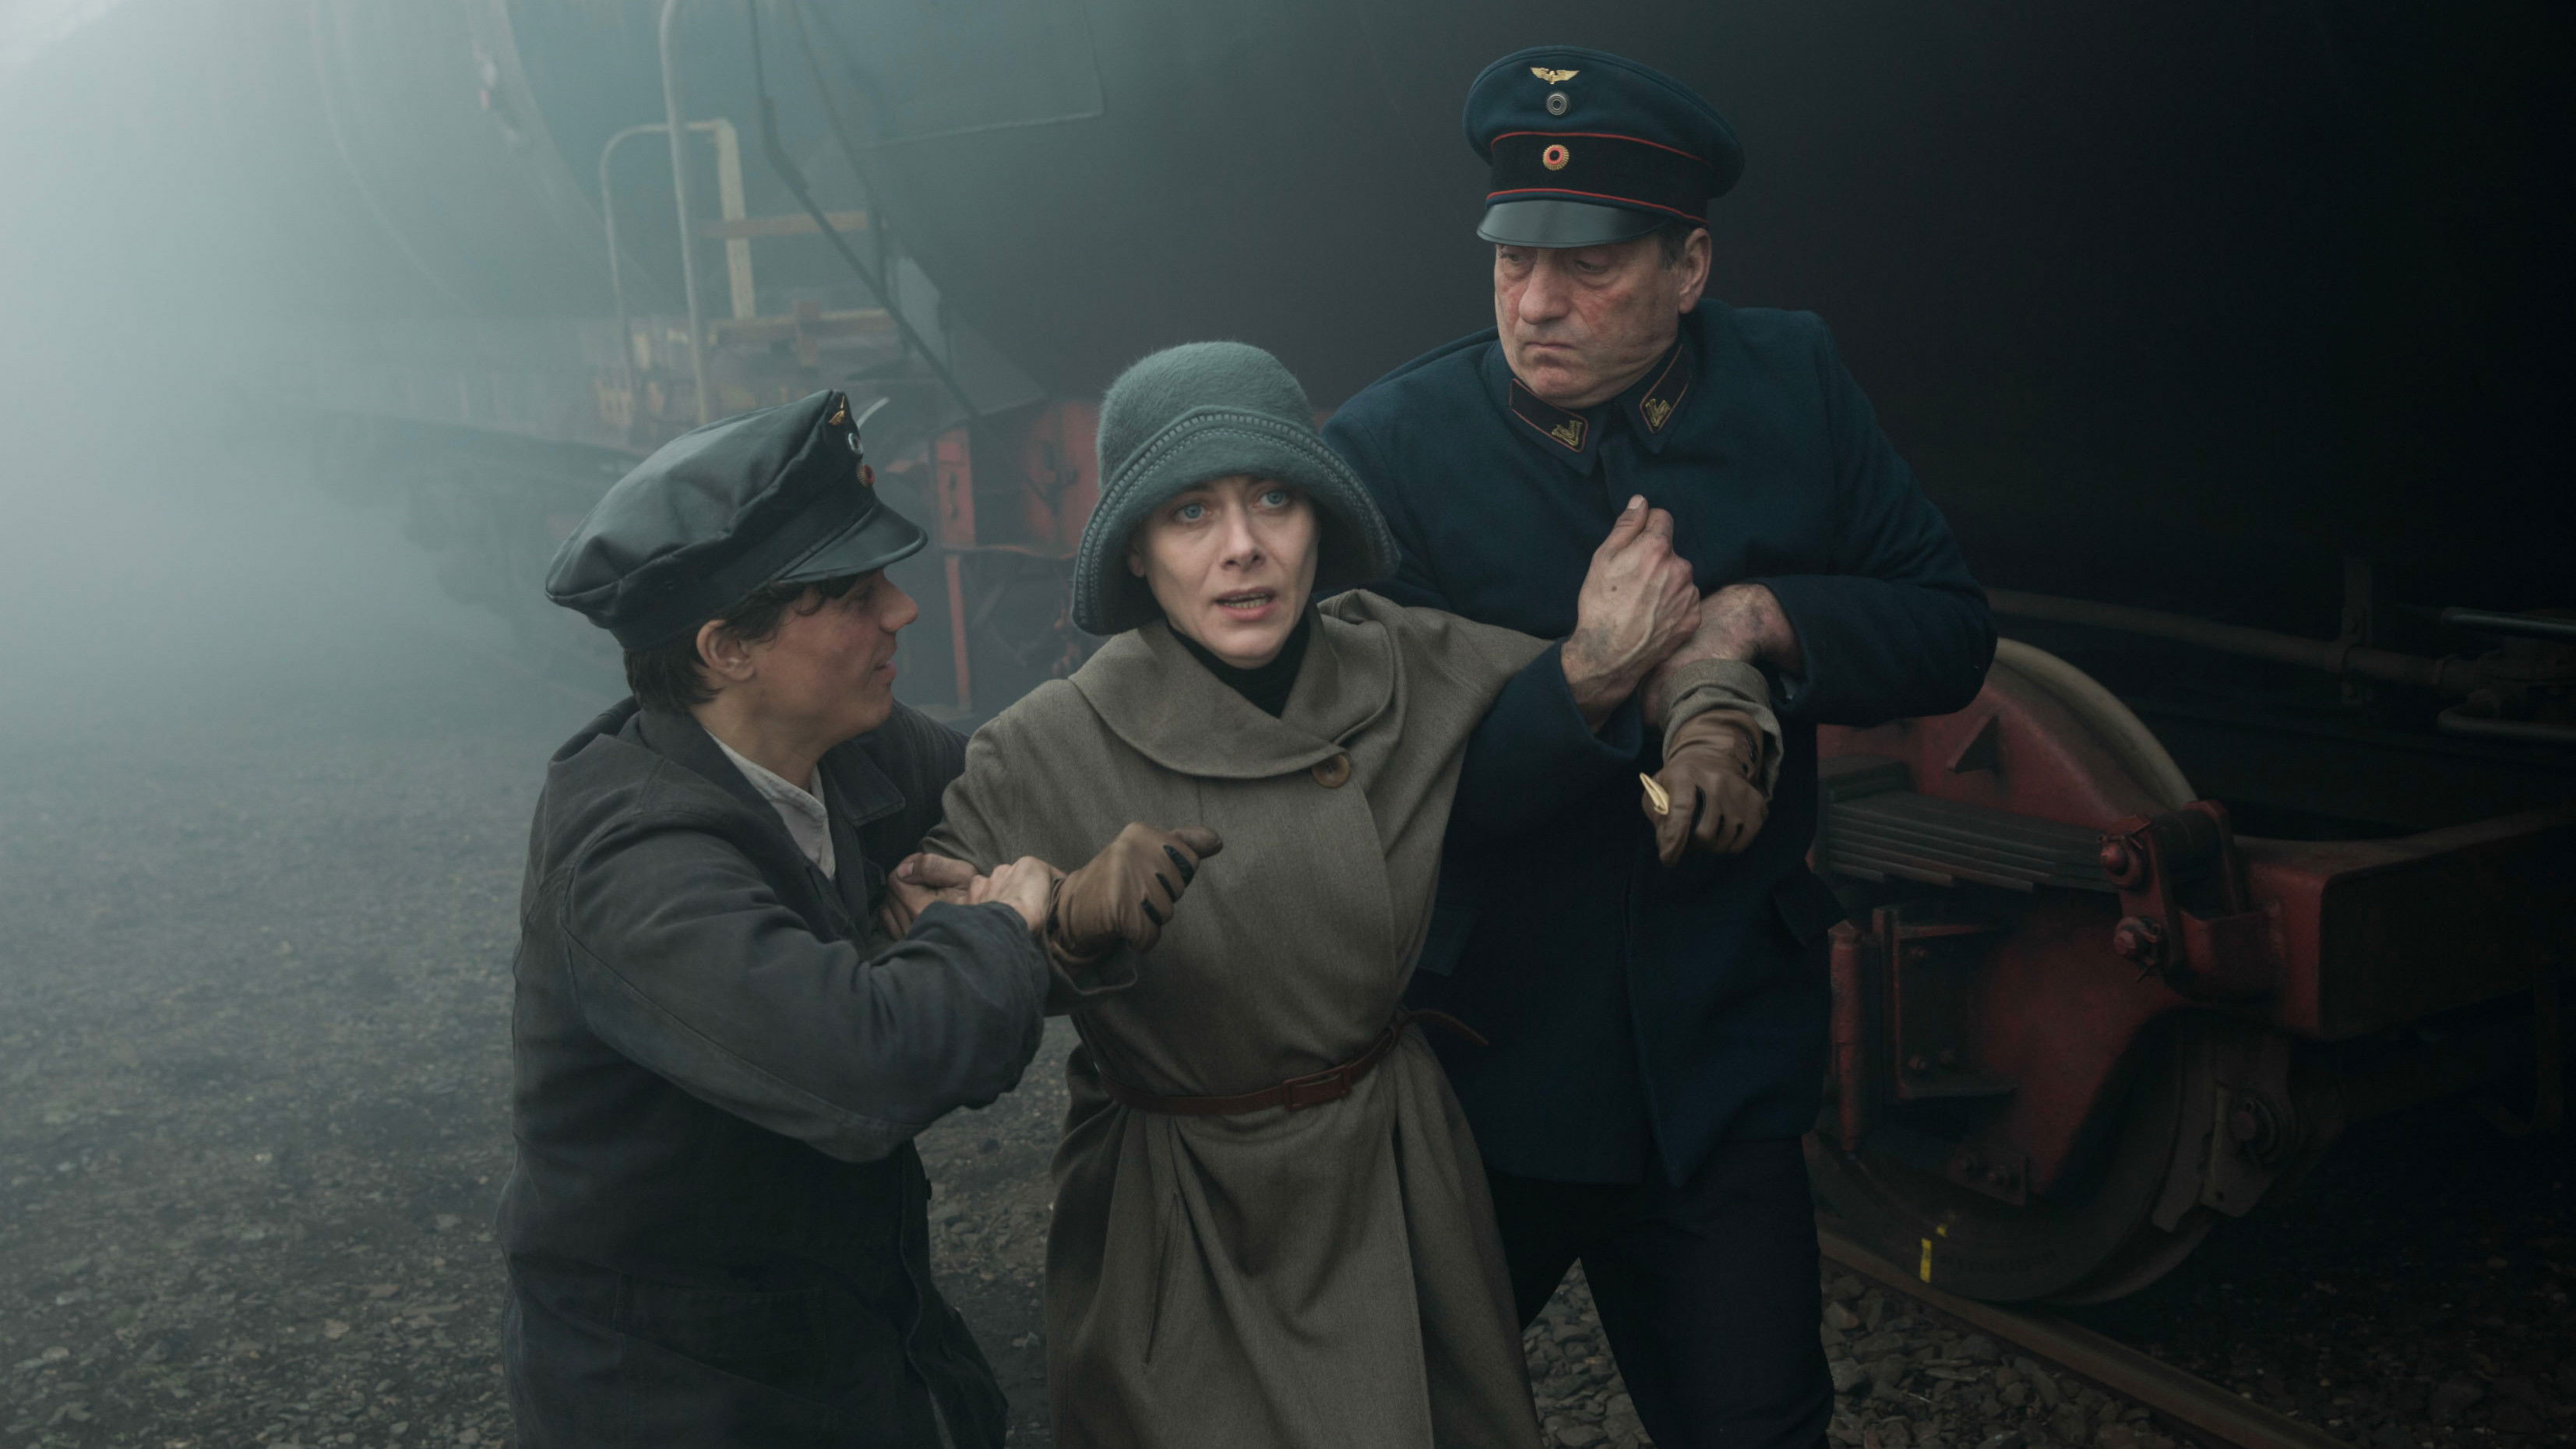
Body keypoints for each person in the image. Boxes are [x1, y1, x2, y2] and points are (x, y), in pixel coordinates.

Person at [894, 341, 1778, 1449]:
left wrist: (1711, 726)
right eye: (1190, 513)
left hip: (1394, 1182)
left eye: (1274, 499)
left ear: (1319, 518)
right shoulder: (1045, 745)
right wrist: (1066, 915)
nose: (1244, 548)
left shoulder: (1403, 662)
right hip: (1182, 1212)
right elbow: (916, 943)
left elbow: (1649, 660)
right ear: (1135, 553)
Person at [1322, 46, 1997, 1449]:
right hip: (1482, 1076)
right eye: (1513, 262)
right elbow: (1373, 790)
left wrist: (1758, 620)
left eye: (1590, 267)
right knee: (1393, 1424)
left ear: (1690, 267)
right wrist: (1585, 678)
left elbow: (1948, 627)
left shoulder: (1792, 382)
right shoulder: (1390, 451)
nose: (1537, 301)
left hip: (1716, 1073)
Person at [501, 390, 1213, 1447]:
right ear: (726, 649)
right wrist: (1002, 924)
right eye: (851, 594)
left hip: (850, 1327)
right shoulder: (632, 865)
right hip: (680, 1390)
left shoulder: (843, 748)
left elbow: (1024, 787)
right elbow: (866, 1072)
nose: (903, 610)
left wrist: (1067, 901)